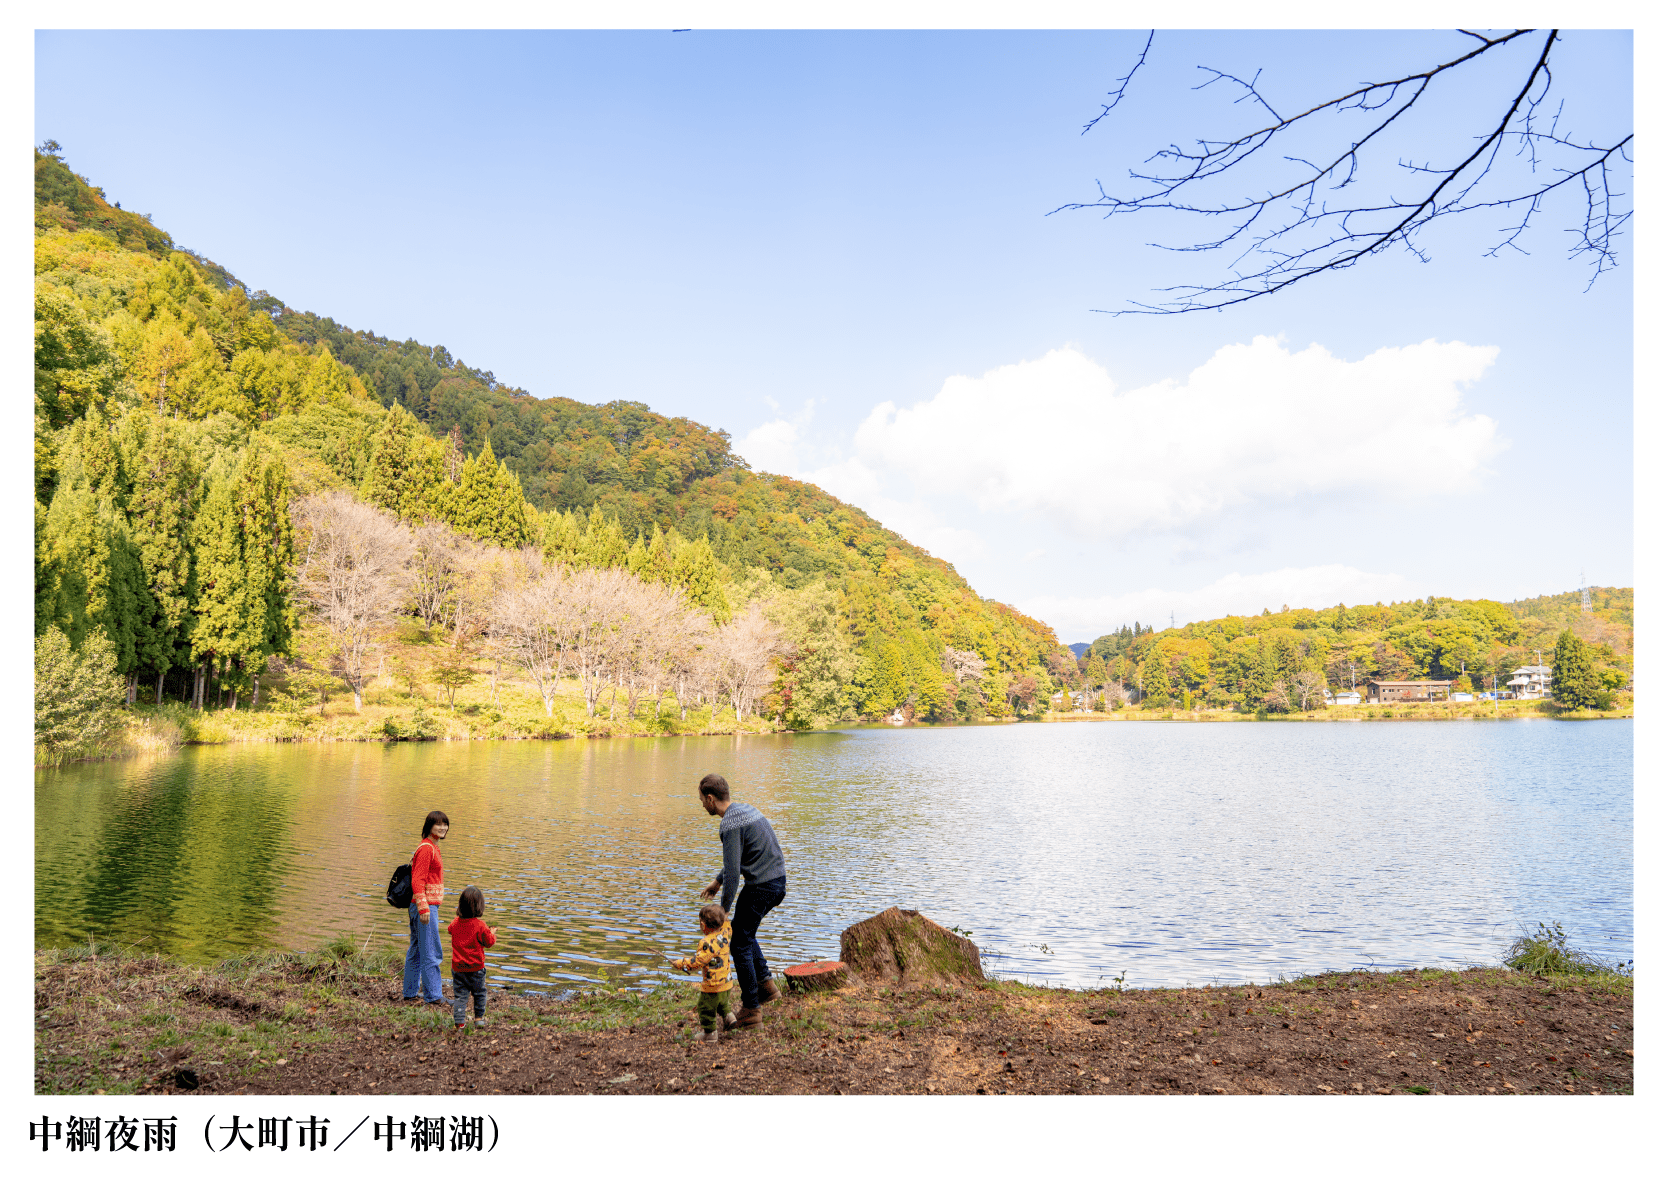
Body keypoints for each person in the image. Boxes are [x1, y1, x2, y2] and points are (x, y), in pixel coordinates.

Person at [696, 773, 786, 1028]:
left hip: (762, 887)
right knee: (745, 931)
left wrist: (722, 912)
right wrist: (717, 881)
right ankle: (767, 986)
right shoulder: (745, 810)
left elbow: (735, 872)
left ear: (711, 799)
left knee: (739, 942)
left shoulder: (729, 825)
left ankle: (751, 1009)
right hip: (777, 881)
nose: (702, 805)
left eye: (702, 800)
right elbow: (736, 862)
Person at [671, 903, 736, 1044]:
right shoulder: (725, 932)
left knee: (705, 1007)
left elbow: (698, 962)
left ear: (702, 925)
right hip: (727, 981)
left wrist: (681, 963)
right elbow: (727, 924)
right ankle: (730, 1018)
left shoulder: (706, 943)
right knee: (723, 1002)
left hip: (712, 985)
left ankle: (710, 1034)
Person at [402, 809, 449, 1005]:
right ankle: (434, 996)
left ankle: (410, 992)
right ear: (429, 827)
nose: (443, 827)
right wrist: (423, 907)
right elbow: (417, 880)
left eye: (445, 824)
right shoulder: (427, 849)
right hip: (425, 906)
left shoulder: (431, 847)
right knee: (431, 950)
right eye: (438, 824)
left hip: (423, 906)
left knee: (417, 949)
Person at [447, 885, 497, 1030]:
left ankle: (459, 1023)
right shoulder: (481, 925)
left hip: (458, 968)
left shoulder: (456, 923)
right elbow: (489, 942)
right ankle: (479, 1019)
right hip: (476, 968)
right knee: (479, 993)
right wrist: (492, 933)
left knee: (461, 996)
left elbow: (450, 930)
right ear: (480, 906)